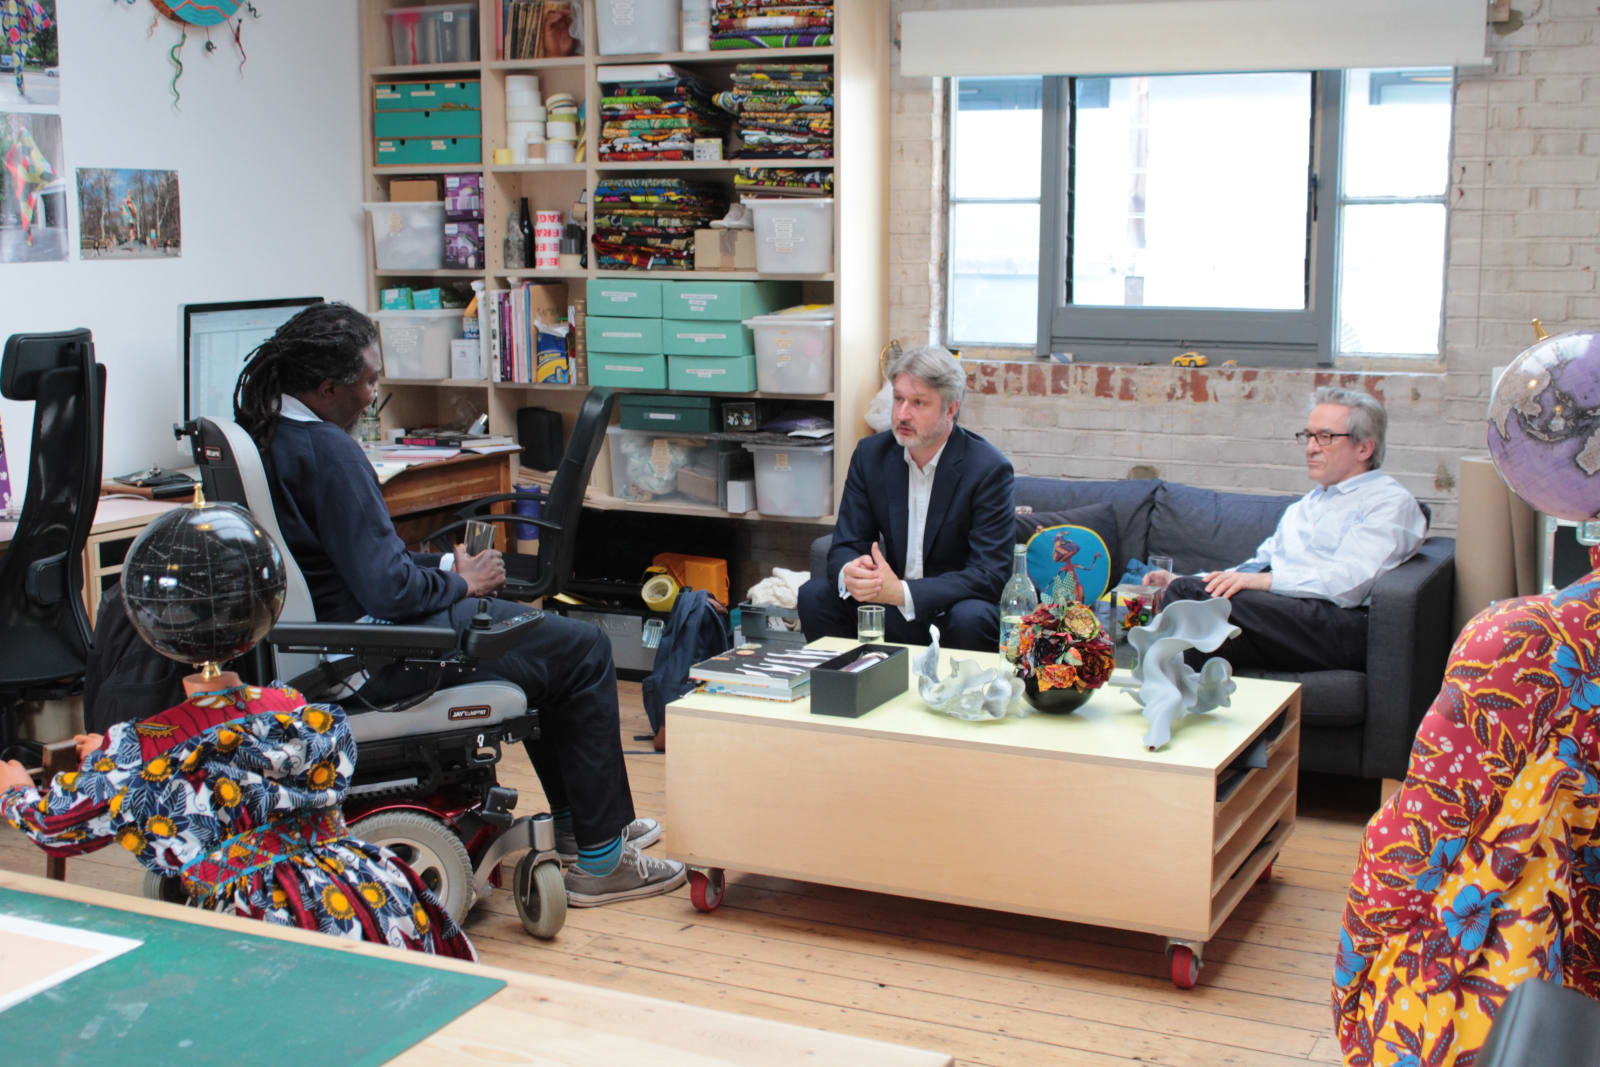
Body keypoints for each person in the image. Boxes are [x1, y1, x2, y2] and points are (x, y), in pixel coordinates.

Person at [230, 301, 684, 906]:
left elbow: (361, 563)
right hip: (374, 658)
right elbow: (388, 589)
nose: (373, 394)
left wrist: (448, 567)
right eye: (367, 379)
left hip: (330, 644)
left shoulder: (270, 433)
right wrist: (463, 584)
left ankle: (585, 829)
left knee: (546, 648)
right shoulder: (330, 453)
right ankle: (602, 863)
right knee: (582, 648)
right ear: (326, 386)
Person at [1, 684, 476, 960]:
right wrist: (107, 762)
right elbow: (223, 749)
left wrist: (15, 791)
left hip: (269, 912)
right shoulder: (290, 701)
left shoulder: (138, 746)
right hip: (363, 882)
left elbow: (55, 828)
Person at [1142, 386, 1425, 673]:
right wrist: (1188, 579)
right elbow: (1255, 568)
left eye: (1325, 437)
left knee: (1192, 606)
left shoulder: (1390, 503)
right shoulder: (1308, 504)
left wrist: (1263, 583)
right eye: (1308, 436)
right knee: (1185, 599)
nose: (1311, 447)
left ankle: (1165, 694)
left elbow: (1349, 584)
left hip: (1338, 624)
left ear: (1364, 447)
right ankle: (1182, 691)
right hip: (1281, 615)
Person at [797, 344, 1014, 652]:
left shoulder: (988, 469)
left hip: (950, 611)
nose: (902, 414)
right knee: (814, 594)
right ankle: (847, 688)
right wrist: (852, 572)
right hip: (889, 606)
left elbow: (989, 575)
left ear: (950, 409)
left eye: (918, 403)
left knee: (974, 617)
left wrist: (902, 592)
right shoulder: (871, 456)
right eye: (898, 399)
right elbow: (846, 543)